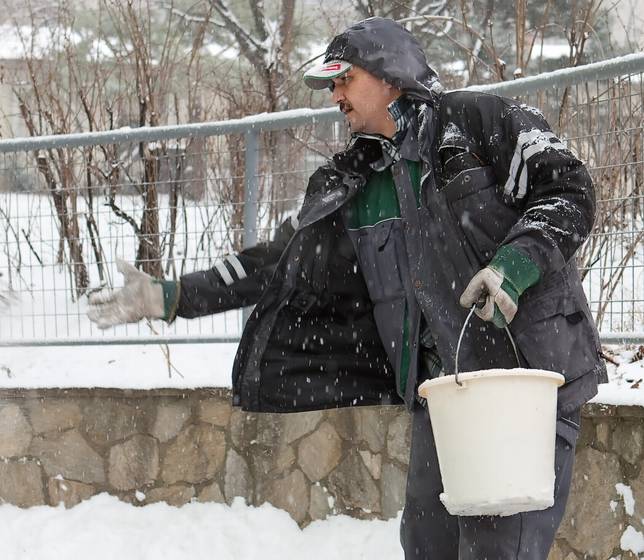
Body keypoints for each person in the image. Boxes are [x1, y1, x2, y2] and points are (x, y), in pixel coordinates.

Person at [88, 17, 608, 559]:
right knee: (427, 545)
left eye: (343, 79)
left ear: (390, 74)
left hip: (527, 383)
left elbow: (569, 188)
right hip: (447, 397)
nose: (334, 94)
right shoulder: (354, 184)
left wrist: (514, 265)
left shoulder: (477, 122)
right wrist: (171, 297)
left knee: (497, 549)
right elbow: (274, 262)